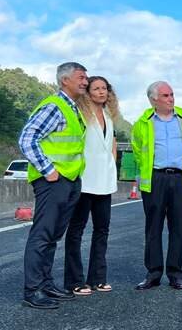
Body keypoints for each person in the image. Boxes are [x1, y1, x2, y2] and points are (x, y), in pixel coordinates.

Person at [18, 62, 88, 309]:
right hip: (53, 182)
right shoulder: (54, 106)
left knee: (53, 236)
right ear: (64, 81)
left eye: (85, 77)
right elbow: (27, 139)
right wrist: (48, 170)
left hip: (68, 181)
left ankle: (45, 283)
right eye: (80, 77)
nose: (85, 82)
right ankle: (33, 290)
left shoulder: (72, 108)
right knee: (43, 234)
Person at [131, 81, 182, 290]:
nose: (171, 99)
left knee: (178, 228)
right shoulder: (143, 122)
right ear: (154, 100)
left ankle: (175, 274)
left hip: (180, 179)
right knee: (153, 228)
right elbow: (137, 150)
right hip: (155, 179)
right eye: (166, 96)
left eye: (172, 94)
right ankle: (153, 274)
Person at [63, 76, 120, 296]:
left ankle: (97, 278)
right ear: (87, 92)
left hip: (105, 181)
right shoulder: (80, 115)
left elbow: (111, 143)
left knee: (102, 230)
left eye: (104, 88)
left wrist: (112, 164)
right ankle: (74, 281)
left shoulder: (109, 116)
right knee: (76, 230)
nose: (101, 92)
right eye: (95, 88)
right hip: (84, 180)